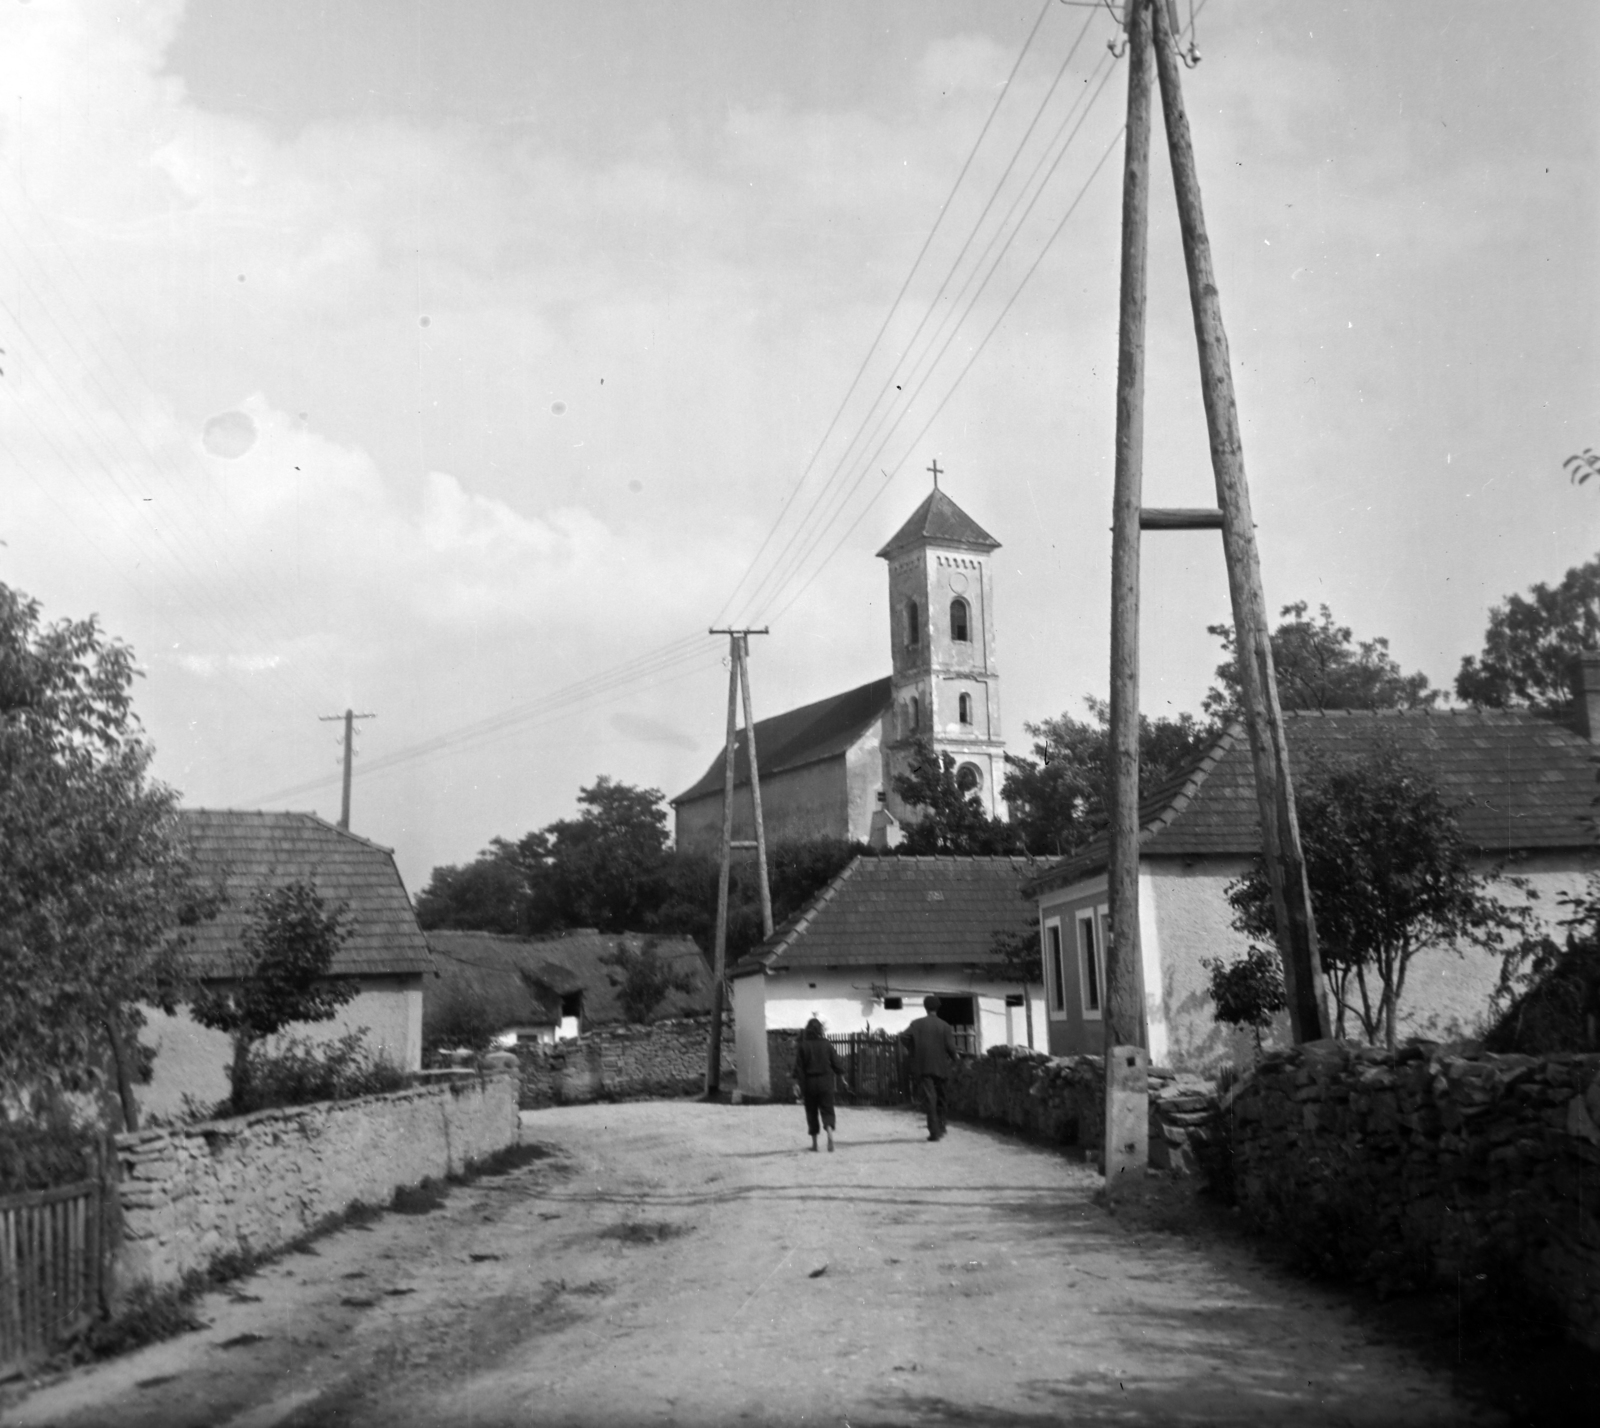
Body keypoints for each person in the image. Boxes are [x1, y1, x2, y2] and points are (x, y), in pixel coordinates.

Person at [899, 994, 958, 1141]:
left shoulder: (916, 1024)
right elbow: (951, 1048)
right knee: (942, 1098)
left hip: (924, 1067)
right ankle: (942, 1128)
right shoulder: (945, 1026)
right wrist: (955, 1059)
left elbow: (903, 1037)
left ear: (925, 1008)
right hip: (942, 1067)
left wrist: (914, 1050)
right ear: (938, 1008)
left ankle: (934, 1132)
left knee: (930, 1099)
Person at [791, 1018, 850, 1152]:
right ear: (821, 1030)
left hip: (810, 1083)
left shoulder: (803, 1046)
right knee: (827, 1109)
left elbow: (798, 1068)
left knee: (811, 1112)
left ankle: (815, 1145)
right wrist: (842, 1079)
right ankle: (829, 1132)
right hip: (826, 1082)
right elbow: (836, 1063)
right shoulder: (827, 1044)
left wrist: (795, 1083)